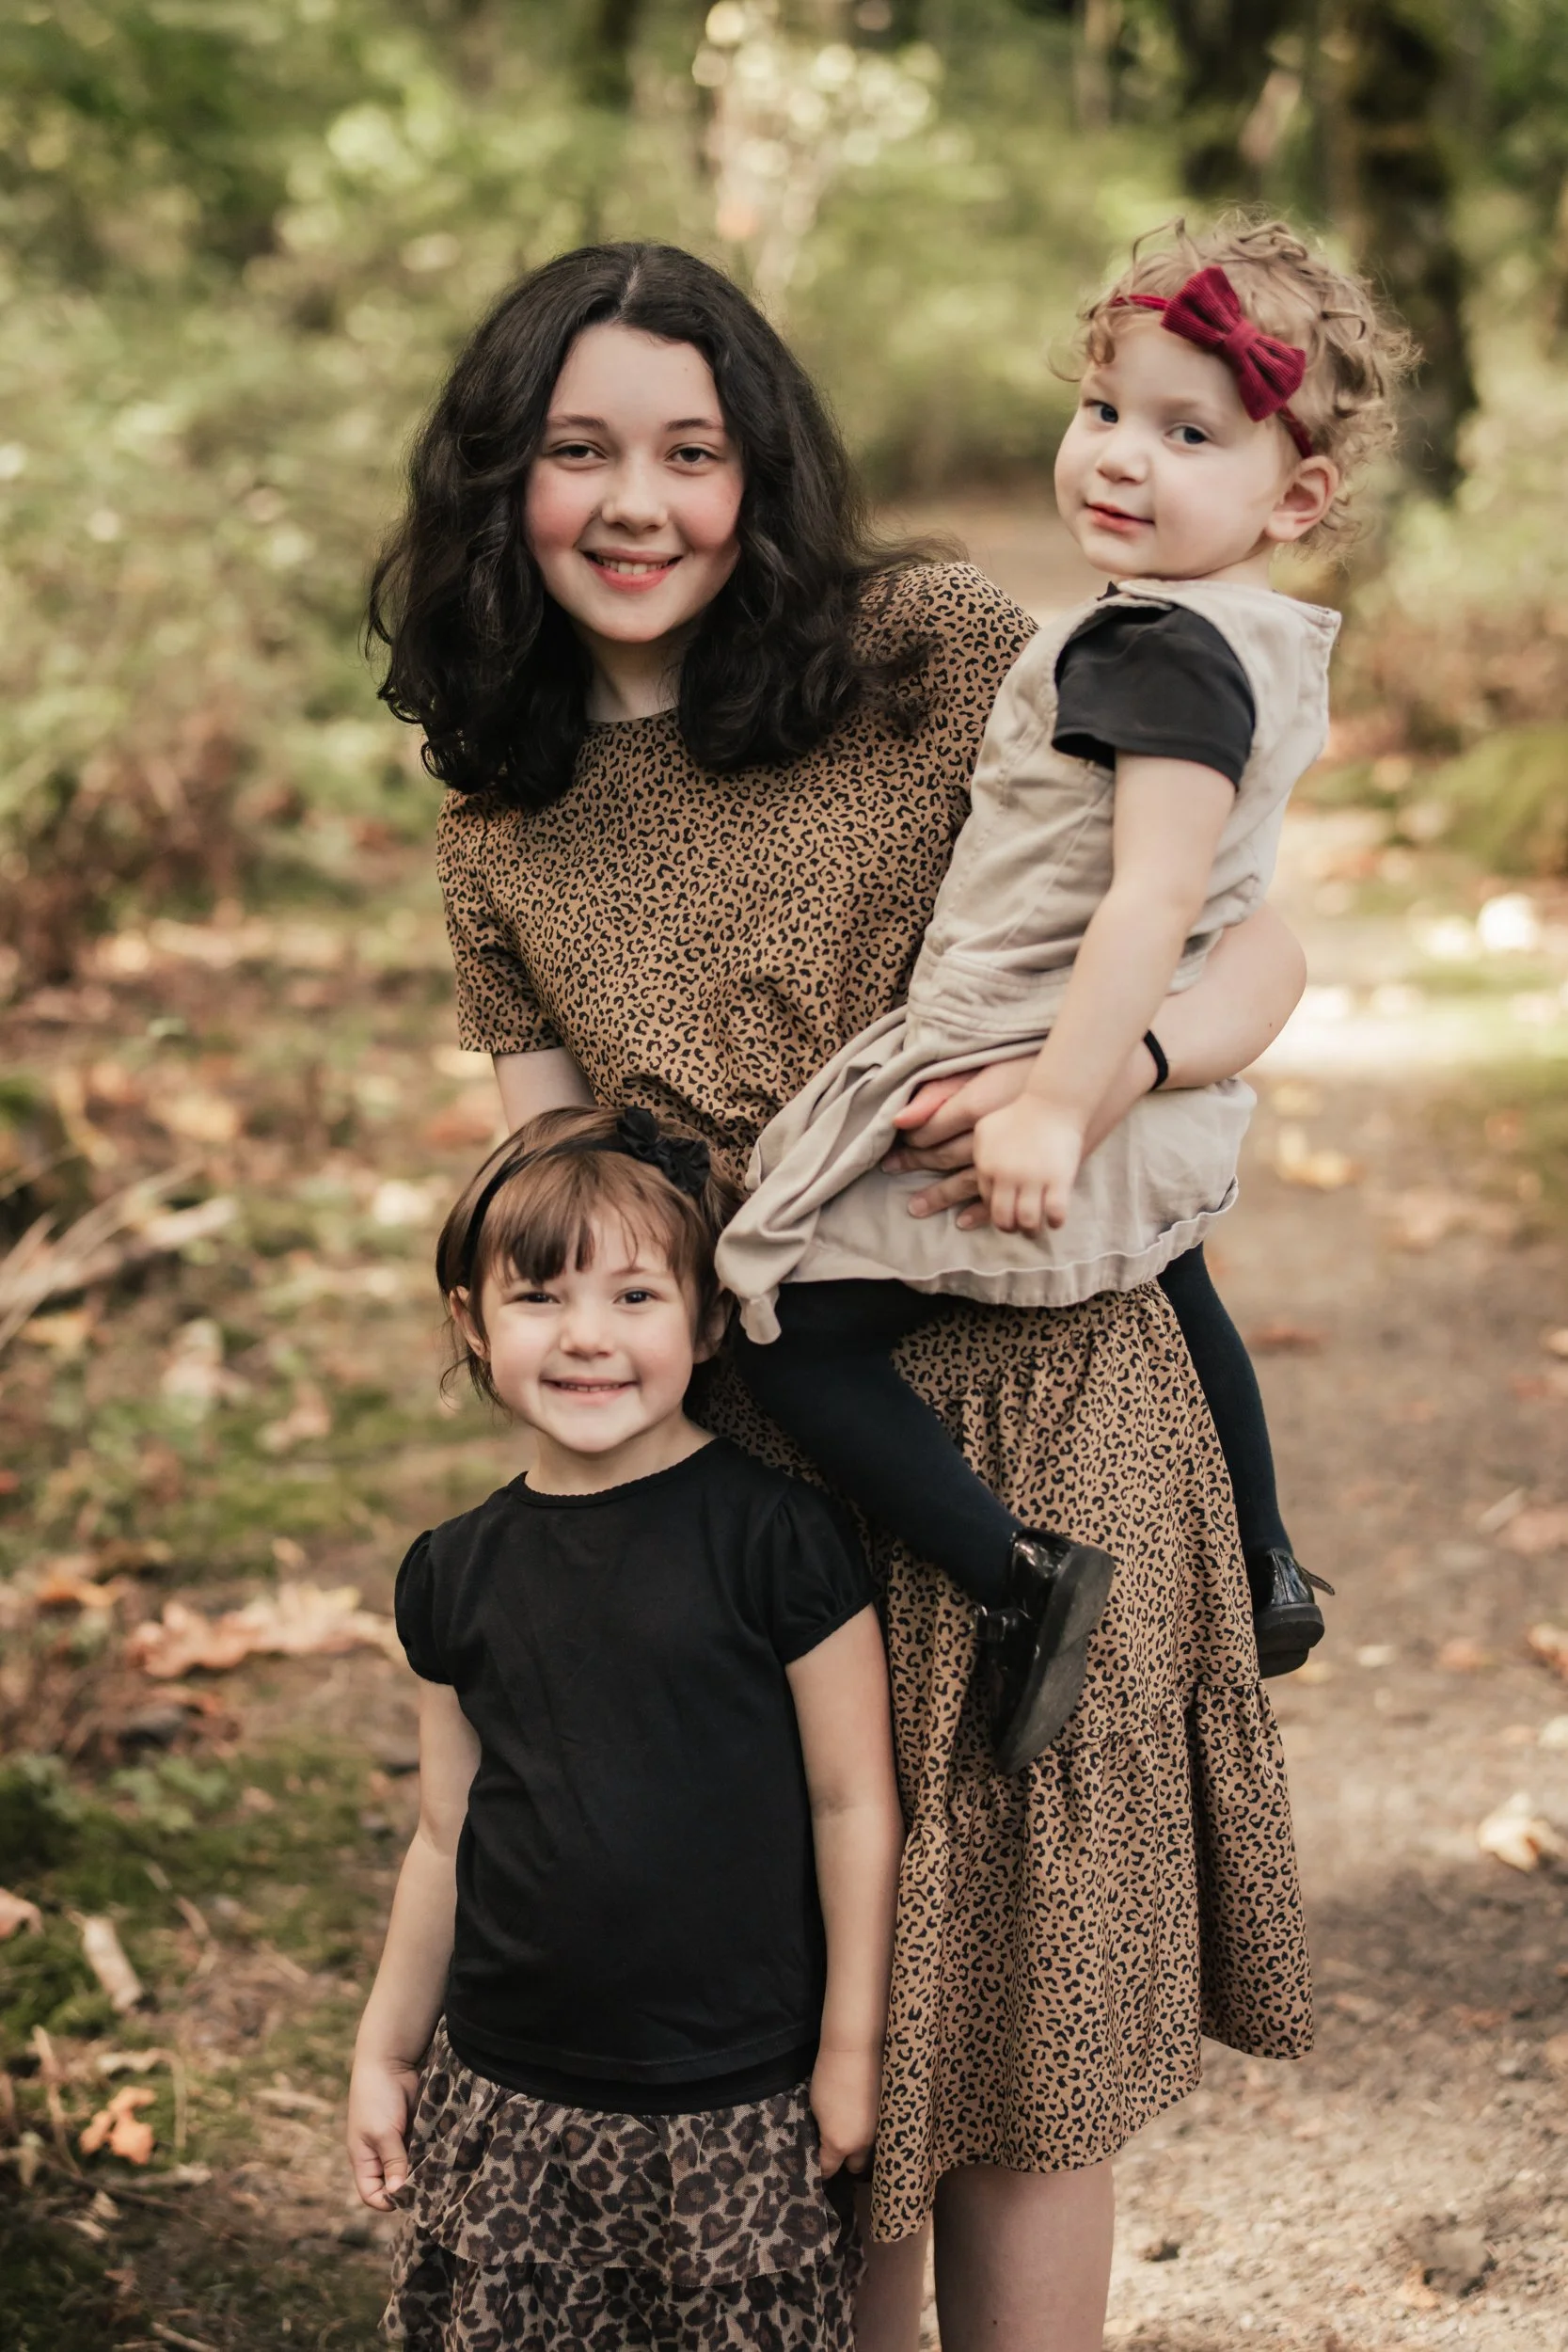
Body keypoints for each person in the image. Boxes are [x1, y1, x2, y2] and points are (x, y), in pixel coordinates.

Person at [370, 237, 1320, 2352]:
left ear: (758, 464)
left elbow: (1241, 942)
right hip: (756, 1478)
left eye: (693, 452)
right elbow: (559, 1184)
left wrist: (1101, 1078)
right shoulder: (495, 805)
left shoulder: (926, 647)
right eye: (579, 451)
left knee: (1011, 2058)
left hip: (1034, 1424)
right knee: (810, 2043)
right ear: (495, 480)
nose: (639, 504)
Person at [716, 217, 1408, 1766]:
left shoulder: (1150, 649)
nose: (1119, 458)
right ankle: (1265, 1557)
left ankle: (1016, 1578)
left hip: (1033, 1047)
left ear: (1292, 496)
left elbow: (1154, 898)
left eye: (1187, 434)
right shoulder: (1244, 637)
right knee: (1175, 1261)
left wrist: (1046, 1106)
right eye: (1103, 412)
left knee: (791, 1325)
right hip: (1121, 1071)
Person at [347, 1104, 904, 2351]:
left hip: (735, 2095)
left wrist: (850, 2048)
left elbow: (853, 1804)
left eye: (636, 1298)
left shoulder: (778, 1541)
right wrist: (387, 2050)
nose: (587, 1337)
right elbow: (444, 1836)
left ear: (709, 1322)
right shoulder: (452, 1569)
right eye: (538, 1299)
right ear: (470, 1325)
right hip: (511, 2089)